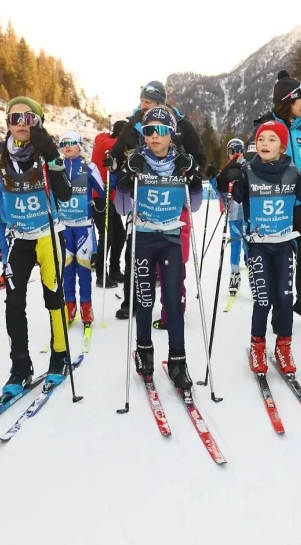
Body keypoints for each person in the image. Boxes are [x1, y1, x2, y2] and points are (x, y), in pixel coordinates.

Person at [0, 96, 74, 396]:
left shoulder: (44, 151)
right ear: (7, 124)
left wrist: (51, 153)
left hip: (48, 234)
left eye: (28, 118)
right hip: (18, 238)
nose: (21, 124)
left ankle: (59, 355)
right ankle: (20, 366)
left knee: (54, 298)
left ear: (38, 122)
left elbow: (64, 193)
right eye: (14, 118)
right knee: (14, 304)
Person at [113, 106, 203, 390]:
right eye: (149, 130)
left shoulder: (182, 163)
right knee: (144, 299)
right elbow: (122, 208)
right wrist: (124, 180)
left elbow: (195, 205)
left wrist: (194, 178)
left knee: (173, 300)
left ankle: (178, 361)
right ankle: (144, 351)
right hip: (143, 238)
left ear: (172, 134)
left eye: (161, 130)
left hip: (171, 239)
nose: (154, 136)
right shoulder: (137, 162)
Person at [216, 120, 301, 374]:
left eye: (272, 139)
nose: (265, 143)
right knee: (263, 299)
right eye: (261, 139)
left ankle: (284, 347)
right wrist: (224, 178)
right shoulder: (247, 171)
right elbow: (231, 197)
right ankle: (257, 347)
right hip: (258, 246)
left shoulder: (292, 171)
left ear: (282, 146)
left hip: (283, 245)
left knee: (285, 298)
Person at [110, 81, 206, 323]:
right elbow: (118, 151)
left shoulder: (181, 124)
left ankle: (173, 307)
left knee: (175, 255)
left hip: (175, 195)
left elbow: (200, 157)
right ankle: (131, 302)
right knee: (136, 251)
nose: (145, 106)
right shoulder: (134, 122)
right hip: (143, 193)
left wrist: (190, 169)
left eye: (150, 102)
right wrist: (119, 165)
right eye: (143, 101)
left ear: (162, 102)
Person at [249, 70, 301, 324]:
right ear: (288, 100)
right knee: (276, 261)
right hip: (275, 206)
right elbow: (251, 169)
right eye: (300, 100)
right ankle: (276, 311)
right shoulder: (265, 128)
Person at [58, 130, 105, 326]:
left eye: (71, 142)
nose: (67, 146)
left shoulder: (89, 167)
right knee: (67, 269)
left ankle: (86, 306)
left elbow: (103, 191)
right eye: (63, 143)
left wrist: (111, 171)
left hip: (84, 227)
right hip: (64, 227)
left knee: (84, 269)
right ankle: (69, 305)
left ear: (79, 145)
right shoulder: (57, 168)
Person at [91, 119, 126, 288]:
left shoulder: (116, 147)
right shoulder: (104, 142)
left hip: (111, 197)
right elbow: (110, 145)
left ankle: (114, 270)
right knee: (107, 236)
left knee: (120, 234)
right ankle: (100, 275)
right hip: (99, 196)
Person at [217, 138, 247, 294]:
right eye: (231, 151)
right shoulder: (226, 169)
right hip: (234, 213)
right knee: (235, 244)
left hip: (247, 213)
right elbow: (220, 189)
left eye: (238, 151)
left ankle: (253, 270)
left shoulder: (248, 167)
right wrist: (214, 179)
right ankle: (235, 273)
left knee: (248, 244)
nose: (235, 154)